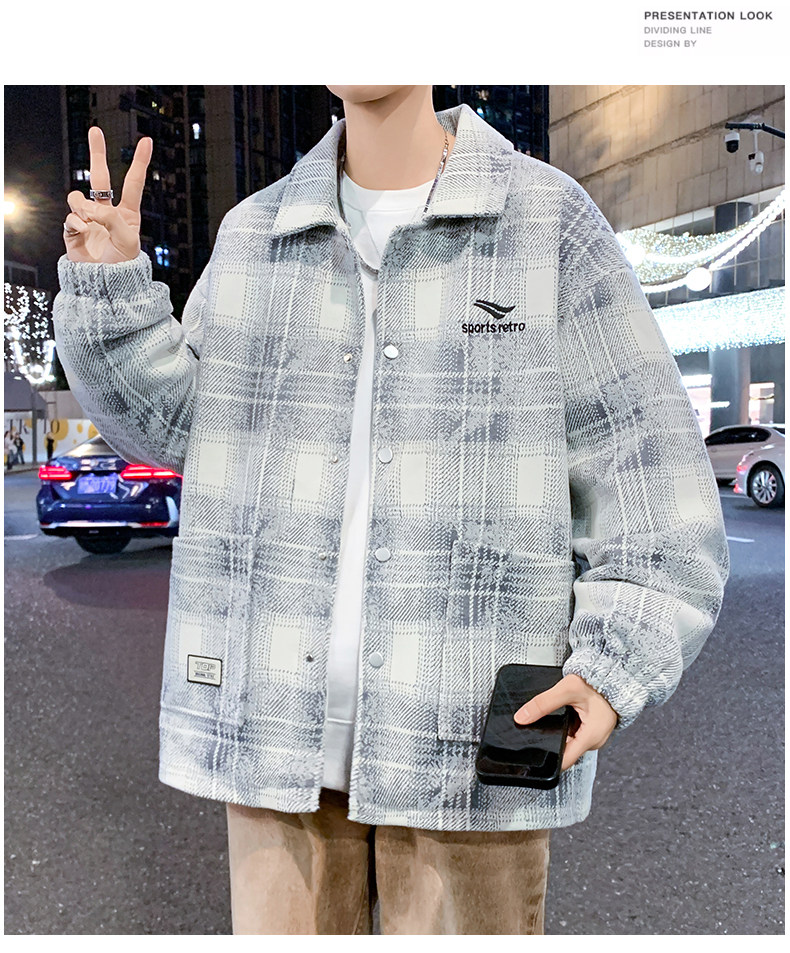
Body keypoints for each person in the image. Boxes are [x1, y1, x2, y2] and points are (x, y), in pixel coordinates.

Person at [53, 85, 730, 935]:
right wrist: (111, 291)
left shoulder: (545, 222)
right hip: (274, 733)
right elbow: (183, 426)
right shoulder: (257, 233)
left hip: (470, 744)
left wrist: (611, 663)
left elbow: (649, 469)